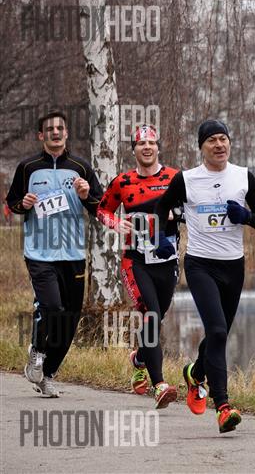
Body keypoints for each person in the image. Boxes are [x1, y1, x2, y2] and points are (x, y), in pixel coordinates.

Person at [152, 119, 255, 433]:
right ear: (201, 147)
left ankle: (195, 373)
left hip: (234, 267)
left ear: (230, 142)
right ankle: (224, 407)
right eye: (212, 141)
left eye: (223, 139)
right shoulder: (187, 180)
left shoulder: (243, 177)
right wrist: (163, 238)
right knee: (216, 331)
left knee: (220, 334)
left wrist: (246, 216)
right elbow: (162, 207)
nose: (219, 145)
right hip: (201, 265)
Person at [5, 110, 103, 397]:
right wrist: (23, 204)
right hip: (39, 253)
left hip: (73, 254)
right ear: (41, 136)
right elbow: (12, 202)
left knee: (70, 319)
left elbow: (99, 207)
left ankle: (47, 374)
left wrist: (86, 196)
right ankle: (37, 351)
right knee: (52, 307)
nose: (56, 133)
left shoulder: (81, 167)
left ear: (67, 133)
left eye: (60, 128)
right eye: (50, 129)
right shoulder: (28, 167)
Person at [97, 124, 180, 408]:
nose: (147, 147)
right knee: (150, 316)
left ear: (158, 148)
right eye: (141, 144)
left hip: (167, 260)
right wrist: (115, 222)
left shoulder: (174, 178)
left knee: (157, 318)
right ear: (134, 150)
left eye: (151, 143)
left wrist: (174, 213)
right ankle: (160, 385)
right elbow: (102, 209)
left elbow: (189, 207)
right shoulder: (123, 182)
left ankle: (139, 359)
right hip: (135, 260)